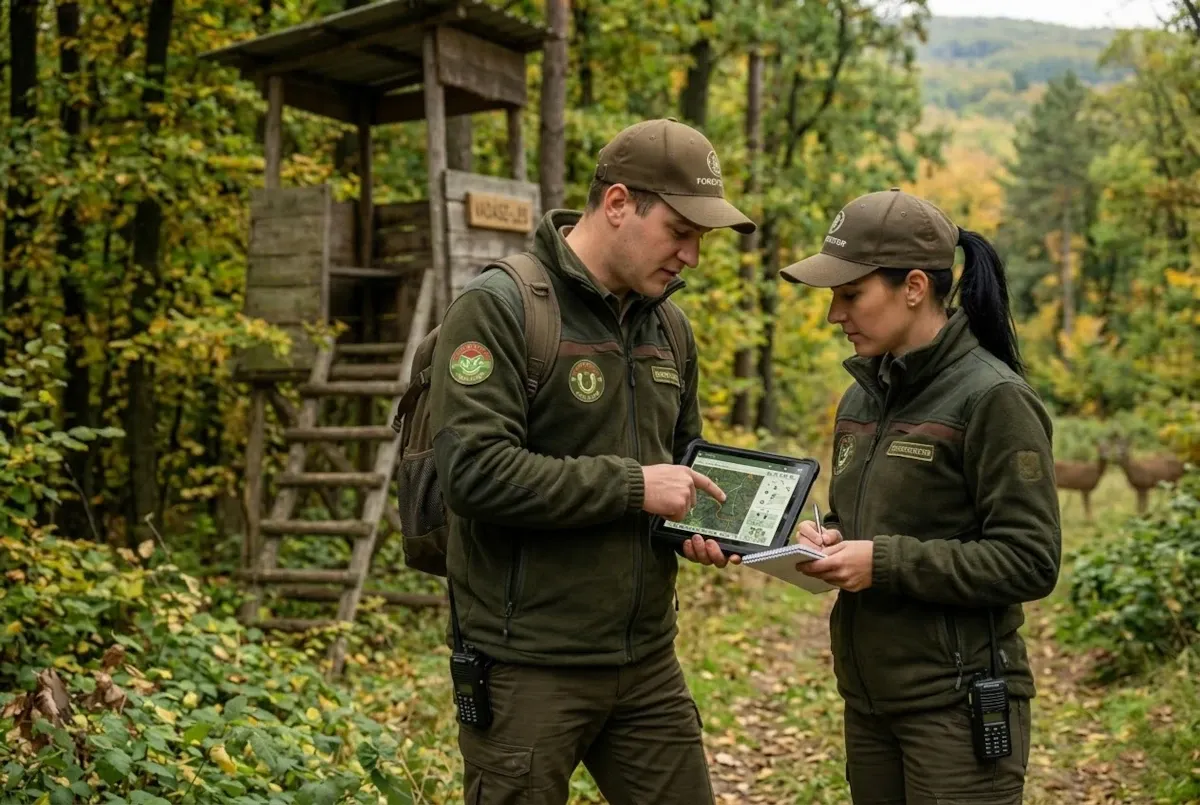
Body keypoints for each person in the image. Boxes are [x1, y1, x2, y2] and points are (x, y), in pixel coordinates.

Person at [427, 118, 755, 805]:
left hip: (645, 662)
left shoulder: (668, 325)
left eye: (701, 239)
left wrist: (703, 524)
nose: (691, 256)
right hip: (526, 668)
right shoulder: (501, 306)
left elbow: (680, 463)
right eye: (680, 231)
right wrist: (635, 487)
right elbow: (474, 472)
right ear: (616, 204)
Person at [779, 188, 1062, 805]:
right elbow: (869, 517)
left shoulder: (993, 399)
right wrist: (827, 536)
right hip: (871, 701)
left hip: (957, 709)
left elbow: (1030, 559)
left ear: (913, 286)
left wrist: (880, 561)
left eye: (850, 294)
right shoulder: (860, 397)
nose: (835, 315)